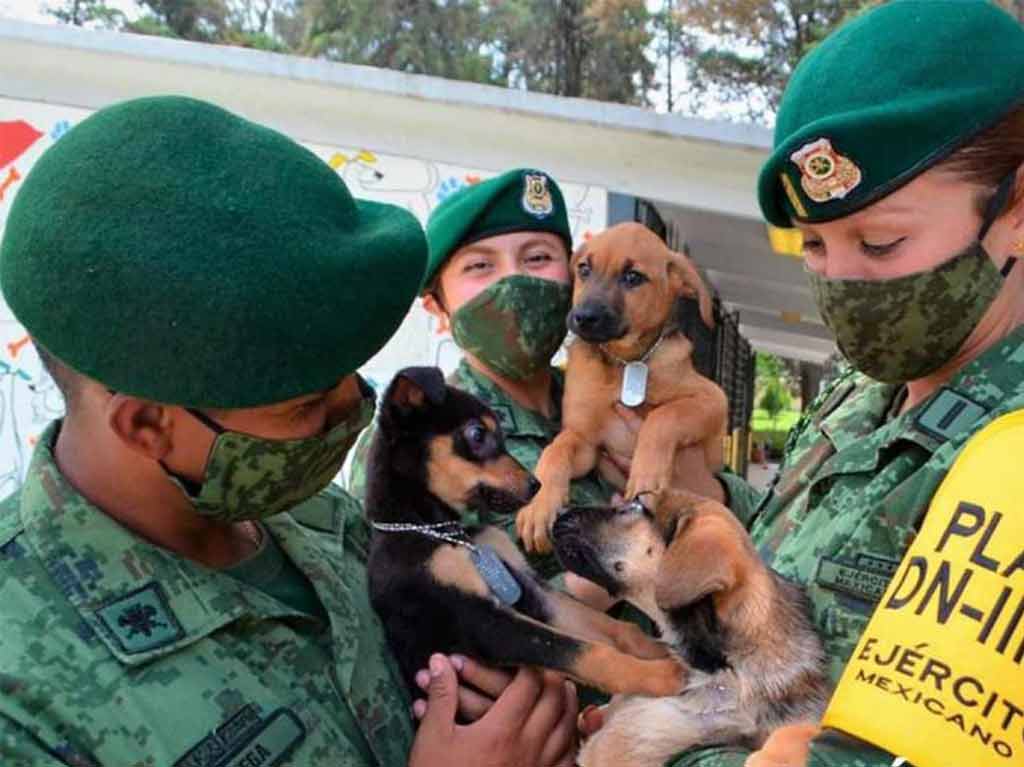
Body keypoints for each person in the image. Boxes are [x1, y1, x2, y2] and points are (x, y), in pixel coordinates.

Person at [0, 96, 579, 767]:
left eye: (349, 376)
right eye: (305, 405)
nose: (352, 410)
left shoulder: (327, 526)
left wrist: (526, 705)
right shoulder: (25, 696)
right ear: (147, 423)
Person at [658, 1, 1024, 765]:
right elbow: (806, 541)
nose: (843, 282)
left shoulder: (1011, 452)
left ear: (1016, 209)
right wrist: (706, 500)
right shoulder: (865, 384)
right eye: (815, 246)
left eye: (881, 241)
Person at [347, 169, 620, 583]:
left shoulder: (609, 399)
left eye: (538, 258)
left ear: (573, 280)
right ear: (438, 310)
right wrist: (615, 567)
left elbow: (727, 503)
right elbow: (407, 603)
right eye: (480, 266)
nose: (513, 281)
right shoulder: (414, 436)